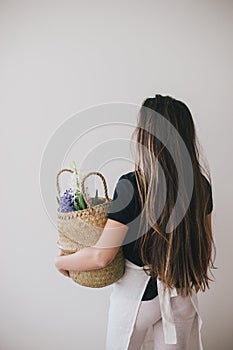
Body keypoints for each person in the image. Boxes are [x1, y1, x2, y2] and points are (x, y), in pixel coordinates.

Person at [54, 94, 216, 350]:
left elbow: (101, 257)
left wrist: (62, 262)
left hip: (138, 299)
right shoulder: (201, 186)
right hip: (181, 296)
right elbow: (204, 248)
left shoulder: (132, 185)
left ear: (146, 137)